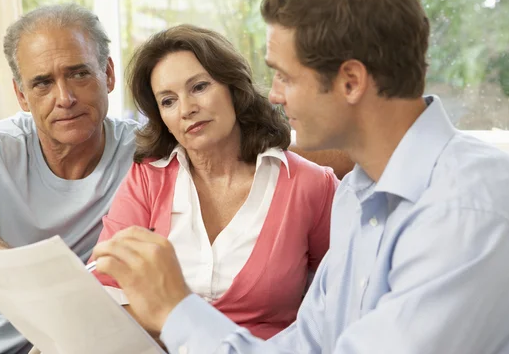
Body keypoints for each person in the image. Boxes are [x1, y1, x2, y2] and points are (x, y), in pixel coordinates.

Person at [91, 0, 509, 354]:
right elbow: (303, 347)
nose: (272, 94)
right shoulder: (356, 198)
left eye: (285, 76)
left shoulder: (464, 209)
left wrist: (176, 310)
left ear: (350, 82)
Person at [0, 4, 139, 354]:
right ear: (21, 95)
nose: (65, 98)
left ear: (107, 74)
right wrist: (3, 263)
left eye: (79, 73)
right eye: (43, 83)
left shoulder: (144, 153)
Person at [90, 24, 338, 340]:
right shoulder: (147, 179)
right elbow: (103, 285)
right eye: (168, 101)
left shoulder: (309, 185)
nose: (187, 109)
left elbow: (349, 289)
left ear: (233, 87)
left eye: (199, 87)